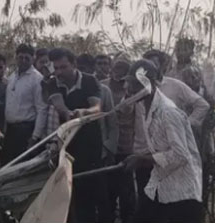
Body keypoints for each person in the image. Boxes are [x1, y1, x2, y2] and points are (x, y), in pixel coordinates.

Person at [123, 59, 203, 222]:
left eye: (136, 84)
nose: (130, 89)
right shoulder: (146, 108)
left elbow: (180, 155)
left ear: (150, 84)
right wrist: (140, 157)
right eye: (130, 83)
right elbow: (162, 147)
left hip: (181, 192)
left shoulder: (168, 112)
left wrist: (143, 159)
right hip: (162, 184)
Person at [44, 48, 106, 222]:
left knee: (88, 193)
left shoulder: (89, 80)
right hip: (67, 144)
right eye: (56, 68)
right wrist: (68, 113)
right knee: (67, 193)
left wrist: (84, 112)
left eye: (63, 67)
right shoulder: (53, 82)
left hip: (89, 145)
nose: (59, 72)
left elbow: (97, 108)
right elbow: (59, 105)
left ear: (74, 64)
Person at [102, 59, 136, 222]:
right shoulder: (102, 87)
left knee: (126, 191)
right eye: (116, 69)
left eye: (123, 72)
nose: (118, 74)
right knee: (107, 190)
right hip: (106, 146)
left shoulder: (134, 91)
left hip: (126, 146)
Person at [3, 44, 47, 163]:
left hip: (26, 132)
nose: (23, 61)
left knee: (21, 166)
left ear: (33, 59)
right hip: (10, 131)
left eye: (27, 58)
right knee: (6, 165)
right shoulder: (12, 77)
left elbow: (42, 109)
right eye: (20, 57)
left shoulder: (37, 79)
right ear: (16, 57)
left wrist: (35, 137)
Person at [77, 53, 119, 167]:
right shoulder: (72, 89)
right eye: (79, 69)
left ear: (92, 69)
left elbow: (112, 122)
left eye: (84, 69)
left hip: (100, 148)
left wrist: (109, 148)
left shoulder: (104, 90)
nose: (82, 73)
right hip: (75, 147)